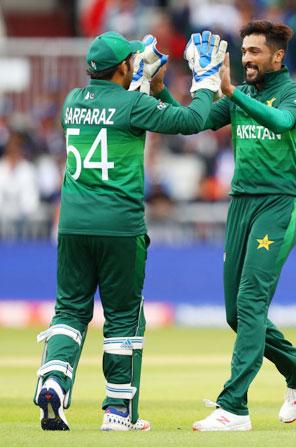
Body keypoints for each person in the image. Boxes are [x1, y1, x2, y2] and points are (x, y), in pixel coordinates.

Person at [34, 30, 224, 431]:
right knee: (123, 317)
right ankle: (119, 412)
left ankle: (53, 381)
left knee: (69, 311)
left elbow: (117, 105)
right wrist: (205, 80)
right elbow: (192, 121)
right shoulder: (133, 106)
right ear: (122, 66)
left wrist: (146, 82)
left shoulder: (72, 102)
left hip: (71, 225)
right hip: (120, 226)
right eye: (131, 61)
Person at [154, 20, 296, 432]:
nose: (246, 58)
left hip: (277, 207)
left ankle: (234, 407)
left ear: (278, 56)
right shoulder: (242, 95)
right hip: (241, 205)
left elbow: (282, 123)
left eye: (254, 52)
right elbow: (190, 122)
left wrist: (230, 91)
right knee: (236, 313)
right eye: (244, 51)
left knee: (250, 304)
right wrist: (160, 87)